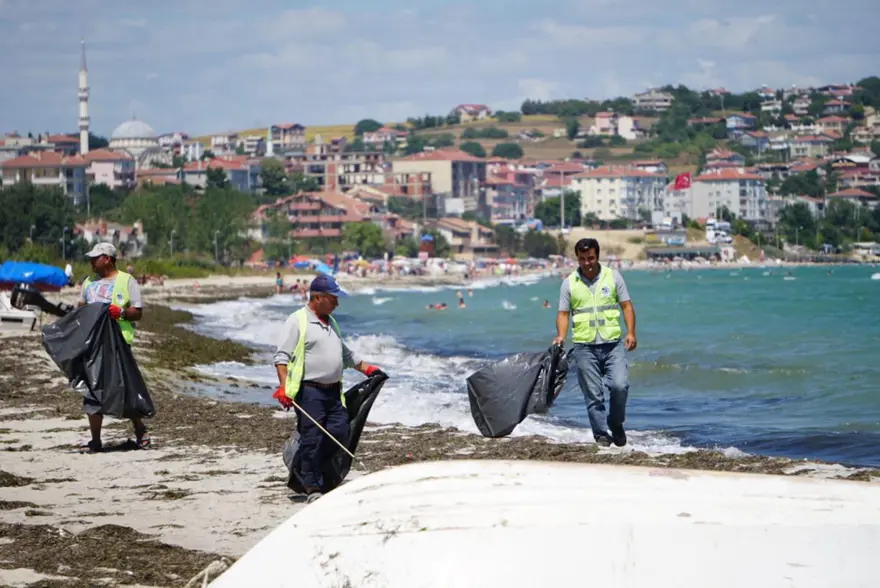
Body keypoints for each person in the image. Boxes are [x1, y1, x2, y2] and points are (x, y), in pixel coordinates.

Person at [272, 275, 381, 502]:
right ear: (318, 297)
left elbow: (345, 354)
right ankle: (312, 487)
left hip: (333, 392)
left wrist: (368, 369)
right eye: (333, 299)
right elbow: (281, 358)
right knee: (313, 438)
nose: (337, 304)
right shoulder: (297, 321)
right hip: (309, 392)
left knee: (340, 432)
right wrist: (284, 388)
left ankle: (299, 458)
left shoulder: (331, 323)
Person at [553, 238, 636, 448]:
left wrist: (631, 333)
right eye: (582, 259)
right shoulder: (569, 283)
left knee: (620, 386)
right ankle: (601, 434)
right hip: (584, 347)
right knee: (593, 394)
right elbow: (563, 314)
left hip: (612, 344)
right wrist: (561, 336)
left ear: (597, 256)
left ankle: (616, 423)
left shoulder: (613, 276)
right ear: (577, 259)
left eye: (590, 258)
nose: (587, 263)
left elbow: (626, 306)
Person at [77, 242, 148, 453]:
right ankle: (95, 440)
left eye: (95, 258)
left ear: (107, 259)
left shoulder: (127, 281)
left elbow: (138, 312)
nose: (91, 261)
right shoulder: (88, 283)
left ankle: (140, 429)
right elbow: (80, 310)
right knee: (92, 390)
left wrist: (122, 313)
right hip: (92, 345)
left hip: (119, 346)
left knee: (124, 388)